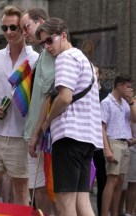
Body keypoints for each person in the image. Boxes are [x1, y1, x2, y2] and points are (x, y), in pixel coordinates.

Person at [34, 18, 103, 215]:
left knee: (65, 202)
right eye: (42, 43)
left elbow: (64, 98)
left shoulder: (65, 57)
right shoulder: (84, 60)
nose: (46, 47)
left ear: (63, 35)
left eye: (49, 41)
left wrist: (46, 123)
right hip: (88, 137)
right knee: (83, 201)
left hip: (69, 135)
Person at [0, 5, 39, 205]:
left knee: (21, 191)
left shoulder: (35, 59)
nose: (9, 32)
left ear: (23, 29)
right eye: (4, 28)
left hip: (22, 135)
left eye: (14, 27)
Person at [19, 8, 55, 215]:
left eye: (27, 27)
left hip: (44, 136)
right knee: (38, 190)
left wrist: (37, 132)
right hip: (36, 133)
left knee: (48, 191)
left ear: (40, 22)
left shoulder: (53, 54)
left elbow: (51, 96)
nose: (24, 33)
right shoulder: (42, 55)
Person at [100, 75, 136, 216]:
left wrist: (131, 101)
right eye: (127, 86)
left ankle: (115, 213)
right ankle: (104, 213)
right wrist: (107, 148)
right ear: (119, 86)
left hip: (125, 143)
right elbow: (101, 126)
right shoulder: (106, 102)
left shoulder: (126, 103)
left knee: (120, 182)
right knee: (112, 180)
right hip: (113, 142)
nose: (130, 89)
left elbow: (134, 119)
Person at [92, 65, 111, 216]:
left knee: (103, 180)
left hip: (100, 142)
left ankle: (101, 212)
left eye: (96, 71)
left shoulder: (105, 94)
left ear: (99, 75)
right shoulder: (84, 91)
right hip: (86, 141)